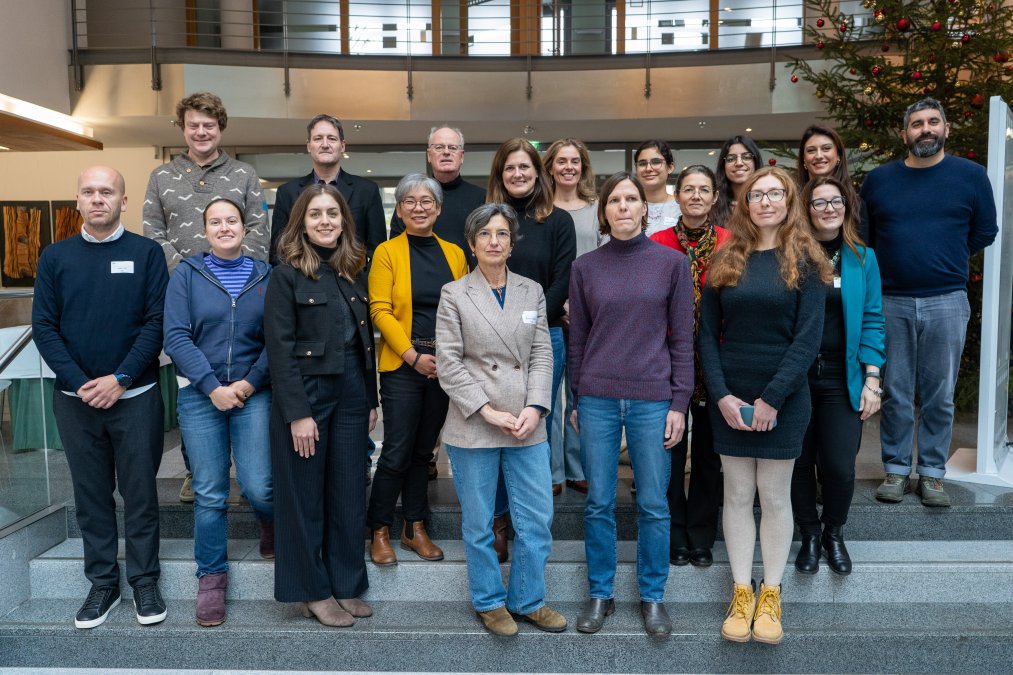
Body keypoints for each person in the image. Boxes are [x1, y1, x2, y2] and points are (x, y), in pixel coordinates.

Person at [33, 166, 169, 629]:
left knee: (140, 494)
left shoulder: (147, 253)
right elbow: (44, 326)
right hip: (75, 400)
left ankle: (144, 581)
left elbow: (156, 322)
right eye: (88, 192)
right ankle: (103, 584)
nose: (97, 199)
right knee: (90, 495)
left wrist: (121, 378)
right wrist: (81, 382)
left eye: (106, 192)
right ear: (77, 200)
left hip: (136, 396)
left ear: (123, 201)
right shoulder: (55, 257)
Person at [699, 166, 830, 645]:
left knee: (774, 496)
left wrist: (772, 398)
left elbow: (808, 339)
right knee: (736, 494)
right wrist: (722, 396)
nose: (766, 201)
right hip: (731, 396)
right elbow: (706, 336)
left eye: (776, 193)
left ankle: (771, 594)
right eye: (757, 195)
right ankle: (741, 591)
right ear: (745, 204)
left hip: (785, 396)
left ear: (789, 202)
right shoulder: (726, 257)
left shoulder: (807, 260)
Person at [569, 172, 694, 637]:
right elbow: (578, 339)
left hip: (653, 399)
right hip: (597, 398)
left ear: (645, 208)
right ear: (604, 212)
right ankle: (600, 593)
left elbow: (683, 340)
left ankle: (653, 596)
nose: (623, 206)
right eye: (614, 200)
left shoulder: (671, 264)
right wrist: (577, 397)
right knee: (598, 502)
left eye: (631, 199)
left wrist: (679, 402)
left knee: (655, 504)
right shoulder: (585, 268)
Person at [435, 202, 565, 637]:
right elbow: (449, 362)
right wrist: (487, 410)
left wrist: (536, 407)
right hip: (475, 422)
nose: (494, 241)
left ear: (512, 243)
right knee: (479, 524)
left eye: (502, 234)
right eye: (485, 234)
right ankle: (489, 601)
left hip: (527, 424)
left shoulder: (532, 291)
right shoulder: (455, 294)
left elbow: (542, 353)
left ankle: (528, 599)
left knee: (536, 520)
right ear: (472, 244)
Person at [861, 97, 997, 507]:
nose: (926, 129)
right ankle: (896, 470)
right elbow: (866, 238)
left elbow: (985, 231)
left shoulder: (971, 176)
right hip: (891, 300)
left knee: (941, 394)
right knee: (897, 392)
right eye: (917, 123)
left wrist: (947, 257)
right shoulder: (880, 180)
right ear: (905, 134)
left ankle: (933, 474)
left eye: (933, 121)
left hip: (947, 300)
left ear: (946, 128)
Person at [142, 91, 270, 503]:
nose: (201, 132)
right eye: (193, 125)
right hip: (184, 292)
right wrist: (193, 276)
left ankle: (250, 471)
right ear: (182, 128)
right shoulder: (162, 176)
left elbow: (259, 231)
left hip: (240, 290)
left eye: (209, 125)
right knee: (192, 374)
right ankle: (195, 468)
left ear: (221, 128)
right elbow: (153, 233)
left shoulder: (244, 174)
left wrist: (231, 275)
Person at [264, 183, 379, 627]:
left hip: (351, 392)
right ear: (301, 223)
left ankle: (346, 582)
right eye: (315, 214)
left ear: (344, 222)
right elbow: (280, 350)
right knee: (304, 495)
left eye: (333, 213)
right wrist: (298, 414)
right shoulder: (286, 275)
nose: (325, 221)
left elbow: (363, 344)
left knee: (349, 491)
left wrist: (370, 399)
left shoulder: (353, 271)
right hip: (306, 394)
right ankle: (313, 590)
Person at [163, 197, 274, 626]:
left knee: (259, 486)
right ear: (205, 229)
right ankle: (211, 578)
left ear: (245, 228)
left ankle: (270, 524)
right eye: (215, 222)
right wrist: (212, 387)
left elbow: (277, 338)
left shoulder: (267, 275)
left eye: (232, 220)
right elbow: (176, 336)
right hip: (200, 395)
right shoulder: (187, 275)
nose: (224, 227)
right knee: (209, 492)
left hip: (253, 393)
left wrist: (248, 383)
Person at [366, 173, 468, 565]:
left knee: (424, 453)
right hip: (403, 366)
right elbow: (380, 310)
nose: (419, 207)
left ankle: (414, 527)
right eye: (410, 201)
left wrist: (447, 358)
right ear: (400, 210)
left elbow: (463, 310)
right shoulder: (387, 252)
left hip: (443, 367)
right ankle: (378, 529)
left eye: (427, 201)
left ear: (438, 209)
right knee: (396, 451)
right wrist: (412, 356)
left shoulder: (455, 254)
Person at [791, 177, 886, 576]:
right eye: (819, 202)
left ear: (846, 208)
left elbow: (873, 319)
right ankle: (809, 535)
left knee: (839, 466)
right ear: (807, 210)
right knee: (798, 463)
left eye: (836, 201)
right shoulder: (792, 255)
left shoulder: (863, 258)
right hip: (797, 379)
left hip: (841, 377)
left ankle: (833, 532)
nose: (829, 208)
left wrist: (872, 380)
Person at [487, 138, 576, 503]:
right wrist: (502, 325)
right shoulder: (487, 222)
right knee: (498, 423)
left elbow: (562, 281)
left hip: (544, 337)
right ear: (500, 175)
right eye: (509, 167)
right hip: (491, 337)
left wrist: (527, 324)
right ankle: (501, 512)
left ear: (538, 173)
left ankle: (533, 510)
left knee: (535, 422)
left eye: (524, 166)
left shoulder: (559, 221)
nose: (517, 173)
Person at [650, 165, 729, 568]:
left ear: (714, 197)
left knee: (709, 454)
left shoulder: (732, 244)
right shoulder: (658, 243)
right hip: (668, 361)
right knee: (670, 450)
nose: (696, 196)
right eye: (688, 189)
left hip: (718, 360)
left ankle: (701, 535)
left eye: (704, 189)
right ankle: (673, 532)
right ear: (677, 196)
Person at [543, 137, 600, 495]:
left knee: (580, 394)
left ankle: (577, 467)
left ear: (583, 167)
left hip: (590, 314)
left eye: (574, 161)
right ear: (550, 167)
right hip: (552, 312)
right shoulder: (540, 209)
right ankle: (551, 472)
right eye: (561, 161)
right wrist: (559, 304)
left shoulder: (597, 209)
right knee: (547, 397)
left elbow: (606, 260)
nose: (568, 167)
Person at [270, 114, 386, 262]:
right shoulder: (287, 193)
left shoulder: (367, 191)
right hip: (301, 275)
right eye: (318, 138)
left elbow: (377, 250)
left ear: (342, 146)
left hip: (353, 274)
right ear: (308, 146)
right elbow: (278, 250)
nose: (325, 144)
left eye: (332, 138)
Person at [389, 126, 487, 258]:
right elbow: (396, 248)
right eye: (439, 147)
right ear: (429, 155)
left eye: (452, 147)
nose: (446, 152)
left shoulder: (481, 198)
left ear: (462, 156)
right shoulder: (410, 199)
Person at [795, 125, 860, 208]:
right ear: (803, 158)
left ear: (838, 155)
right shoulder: (791, 203)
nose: (819, 156)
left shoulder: (857, 204)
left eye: (826, 148)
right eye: (811, 150)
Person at [712, 134, 763, 227]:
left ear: (756, 162)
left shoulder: (767, 202)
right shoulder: (713, 205)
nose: (739, 163)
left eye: (746, 157)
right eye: (731, 159)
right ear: (723, 166)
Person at [634, 140, 682, 238]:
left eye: (656, 162)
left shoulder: (682, 207)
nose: (648, 168)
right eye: (642, 163)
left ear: (670, 167)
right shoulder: (628, 205)